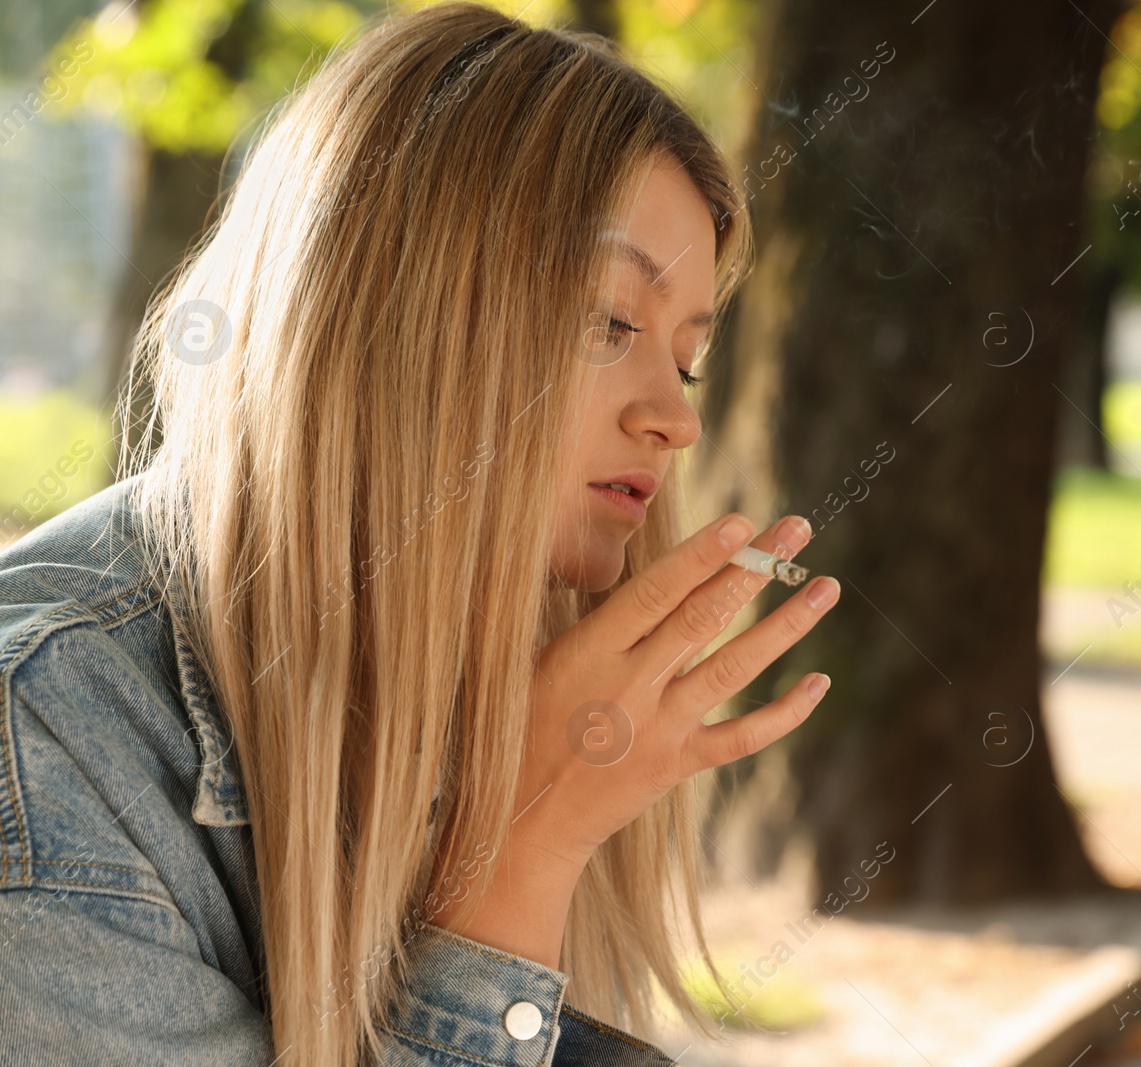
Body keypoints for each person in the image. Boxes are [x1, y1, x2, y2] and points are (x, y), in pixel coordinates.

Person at [0, 4, 840, 1064]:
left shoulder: (463, 669)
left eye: (687, 355)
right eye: (608, 321)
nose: (679, 418)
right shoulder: (41, 744)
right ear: (393, 313)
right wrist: (524, 848)